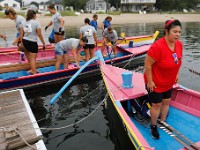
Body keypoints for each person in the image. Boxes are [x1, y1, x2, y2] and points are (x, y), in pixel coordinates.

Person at [144, 20, 182, 139]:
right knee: (157, 105)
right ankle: (154, 126)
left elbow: (178, 61)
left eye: (179, 32)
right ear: (166, 31)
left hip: (169, 81)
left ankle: (163, 121)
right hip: (155, 83)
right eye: (175, 31)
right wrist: (150, 81)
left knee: (166, 102)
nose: (178, 34)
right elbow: (147, 65)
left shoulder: (179, 45)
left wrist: (176, 74)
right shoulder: (157, 46)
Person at [19, 10, 46, 75]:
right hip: (32, 42)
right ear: (34, 15)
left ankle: (32, 69)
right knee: (33, 59)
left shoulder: (24, 22)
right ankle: (34, 73)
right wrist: (43, 43)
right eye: (35, 15)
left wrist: (21, 42)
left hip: (25, 41)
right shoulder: (36, 23)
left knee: (29, 58)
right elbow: (39, 34)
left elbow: (21, 34)